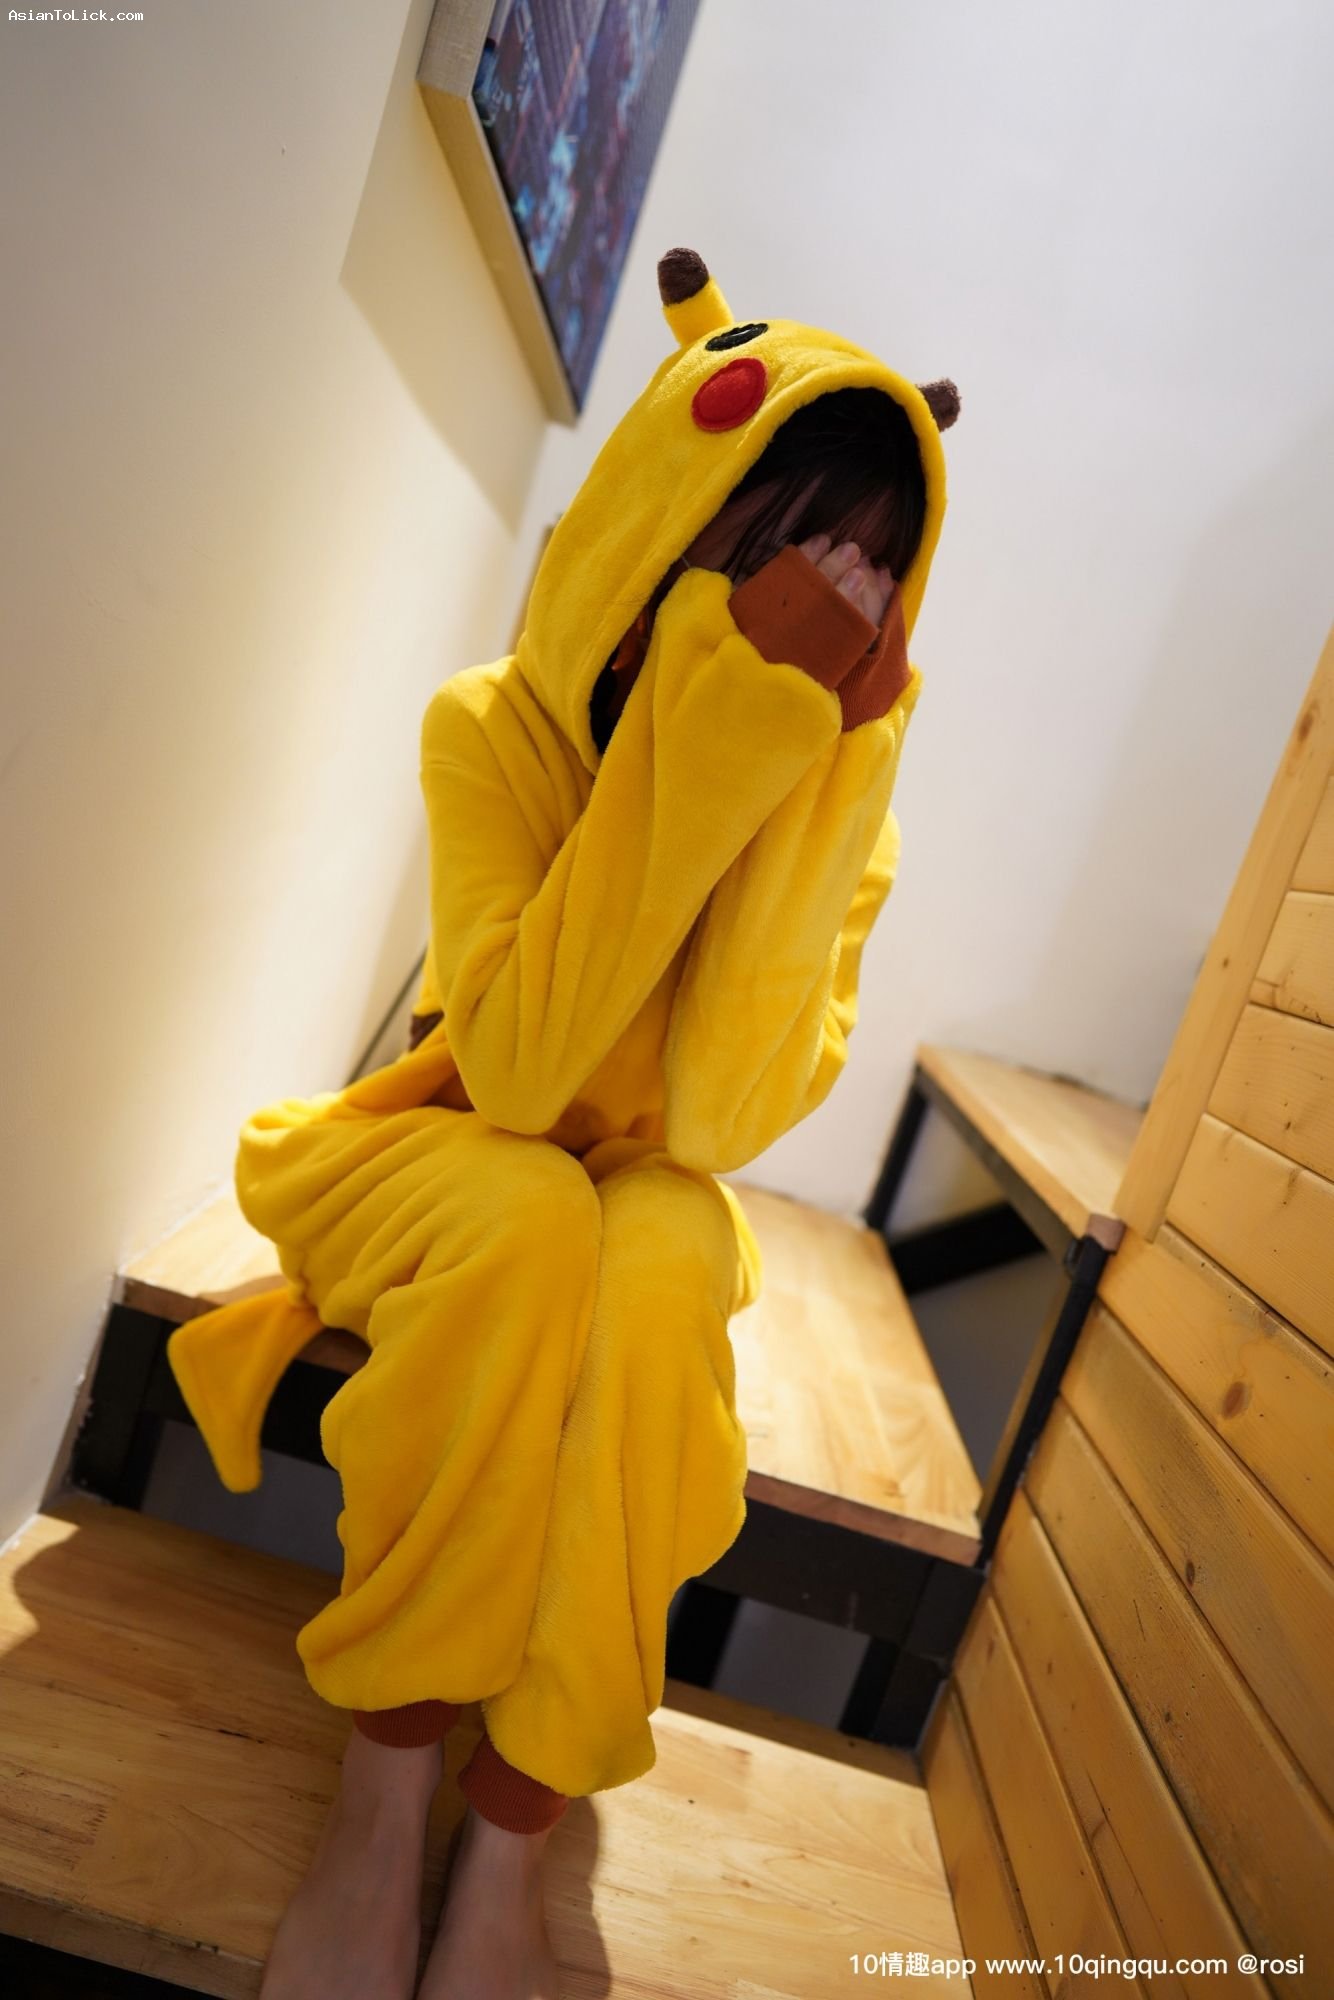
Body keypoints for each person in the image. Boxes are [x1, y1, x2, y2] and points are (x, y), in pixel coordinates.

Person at [168, 247, 957, 2000]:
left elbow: (720, 1119)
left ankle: (514, 1823)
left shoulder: (845, 818)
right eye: (779, 552)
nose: (812, 610)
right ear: (667, 529)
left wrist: (806, 772)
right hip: (435, 1142)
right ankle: (385, 1795)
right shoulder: (494, 729)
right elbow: (517, 1080)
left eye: (862, 577)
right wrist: (707, 722)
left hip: (638, 1181)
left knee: (666, 1261)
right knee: (529, 1217)